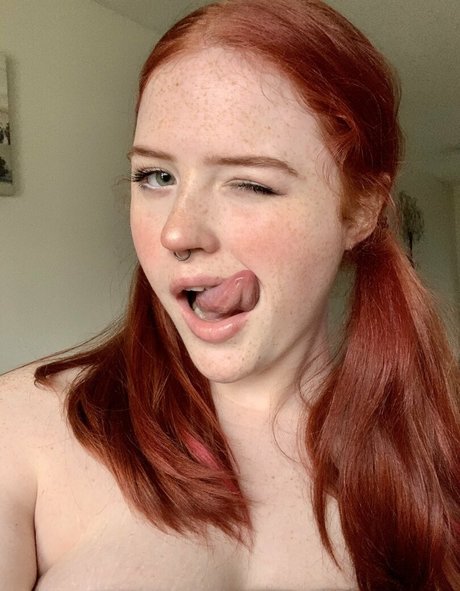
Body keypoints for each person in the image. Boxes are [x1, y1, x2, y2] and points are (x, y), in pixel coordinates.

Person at [1, 0, 459, 589]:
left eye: (249, 183)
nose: (177, 232)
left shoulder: (434, 466)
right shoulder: (22, 431)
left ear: (359, 211)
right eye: (156, 176)